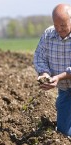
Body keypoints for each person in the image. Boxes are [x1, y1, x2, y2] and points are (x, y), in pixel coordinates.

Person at [34, 3, 71, 136]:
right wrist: (44, 73)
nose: (59, 29)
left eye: (63, 25)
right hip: (65, 91)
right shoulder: (48, 35)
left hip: (63, 82)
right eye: (56, 25)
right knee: (64, 133)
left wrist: (59, 77)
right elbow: (39, 57)